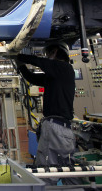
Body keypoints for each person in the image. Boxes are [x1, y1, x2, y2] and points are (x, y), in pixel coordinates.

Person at [15, 41, 78, 184]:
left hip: (56, 126)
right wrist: (20, 66)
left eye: (48, 53)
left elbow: (41, 62)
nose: (47, 56)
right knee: (65, 168)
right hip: (60, 127)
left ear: (55, 51)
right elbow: (33, 78)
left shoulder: (63, 68)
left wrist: (18, 55)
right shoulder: (56, 76)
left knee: (48, 169)